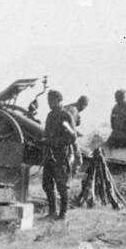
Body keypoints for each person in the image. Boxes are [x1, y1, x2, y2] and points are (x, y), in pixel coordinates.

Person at [41, 90, 77, 221]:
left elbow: (72, 137)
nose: (49, 103)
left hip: (61, 155)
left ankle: (63, 214)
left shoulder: (65, 116)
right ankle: (52, 212)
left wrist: (53, 142)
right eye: (48, 100)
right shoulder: (50, 115)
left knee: (62, 185)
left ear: (58, 100)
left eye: (51, 100)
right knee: (47, 185)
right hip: (49, 155)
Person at [64, 95, 89, 173]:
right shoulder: (73, 110)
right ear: (83, 104)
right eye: (85, 106)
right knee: (78, 159)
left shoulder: (70, 107)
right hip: (67, 138)